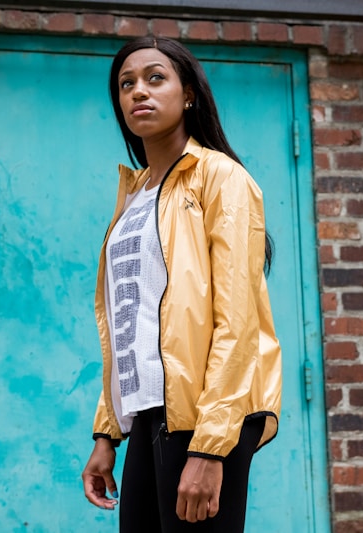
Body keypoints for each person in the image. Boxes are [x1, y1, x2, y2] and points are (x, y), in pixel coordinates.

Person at [81, 36, 282, 533]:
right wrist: (108, 432)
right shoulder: (134, 195)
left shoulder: (220, 179)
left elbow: (237, 320)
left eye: (154, 78)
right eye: (126, 84)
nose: (138, 92)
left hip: (206, 418)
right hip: (152, 416)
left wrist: (211, 446)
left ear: (188, 94)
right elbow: (131, 318)